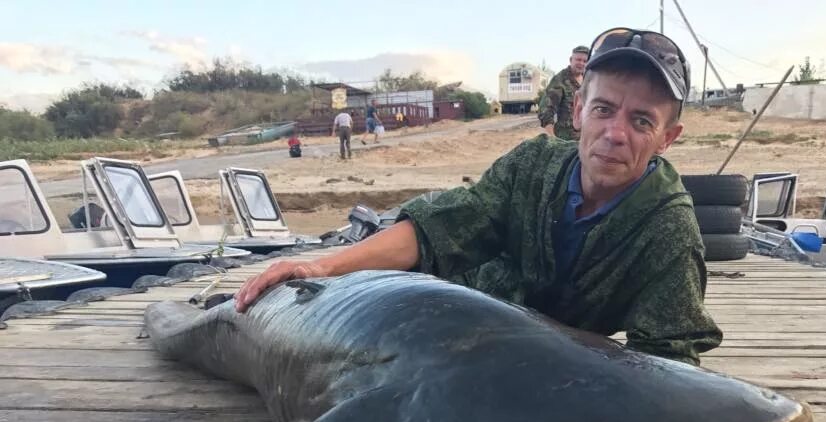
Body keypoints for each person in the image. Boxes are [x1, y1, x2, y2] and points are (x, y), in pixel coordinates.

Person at [235, 27, 722, 366]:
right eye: (603, 110)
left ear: (667, 138)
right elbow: (439, 229)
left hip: (561, 363)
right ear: (577, 111)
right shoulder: (531, 165)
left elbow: (668, 357)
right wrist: (322, 268)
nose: (615, 133)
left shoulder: (669, 229)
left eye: (641, 121)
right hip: (458, 318)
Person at [538, 45, 589, 141]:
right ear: (571, 60)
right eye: (578, 60)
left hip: (586, 139)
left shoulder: (589, 80)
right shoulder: (560, 80)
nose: (581, 63)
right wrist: (552, 138)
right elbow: (546, 110)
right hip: (566, 141)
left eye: (585, 61)